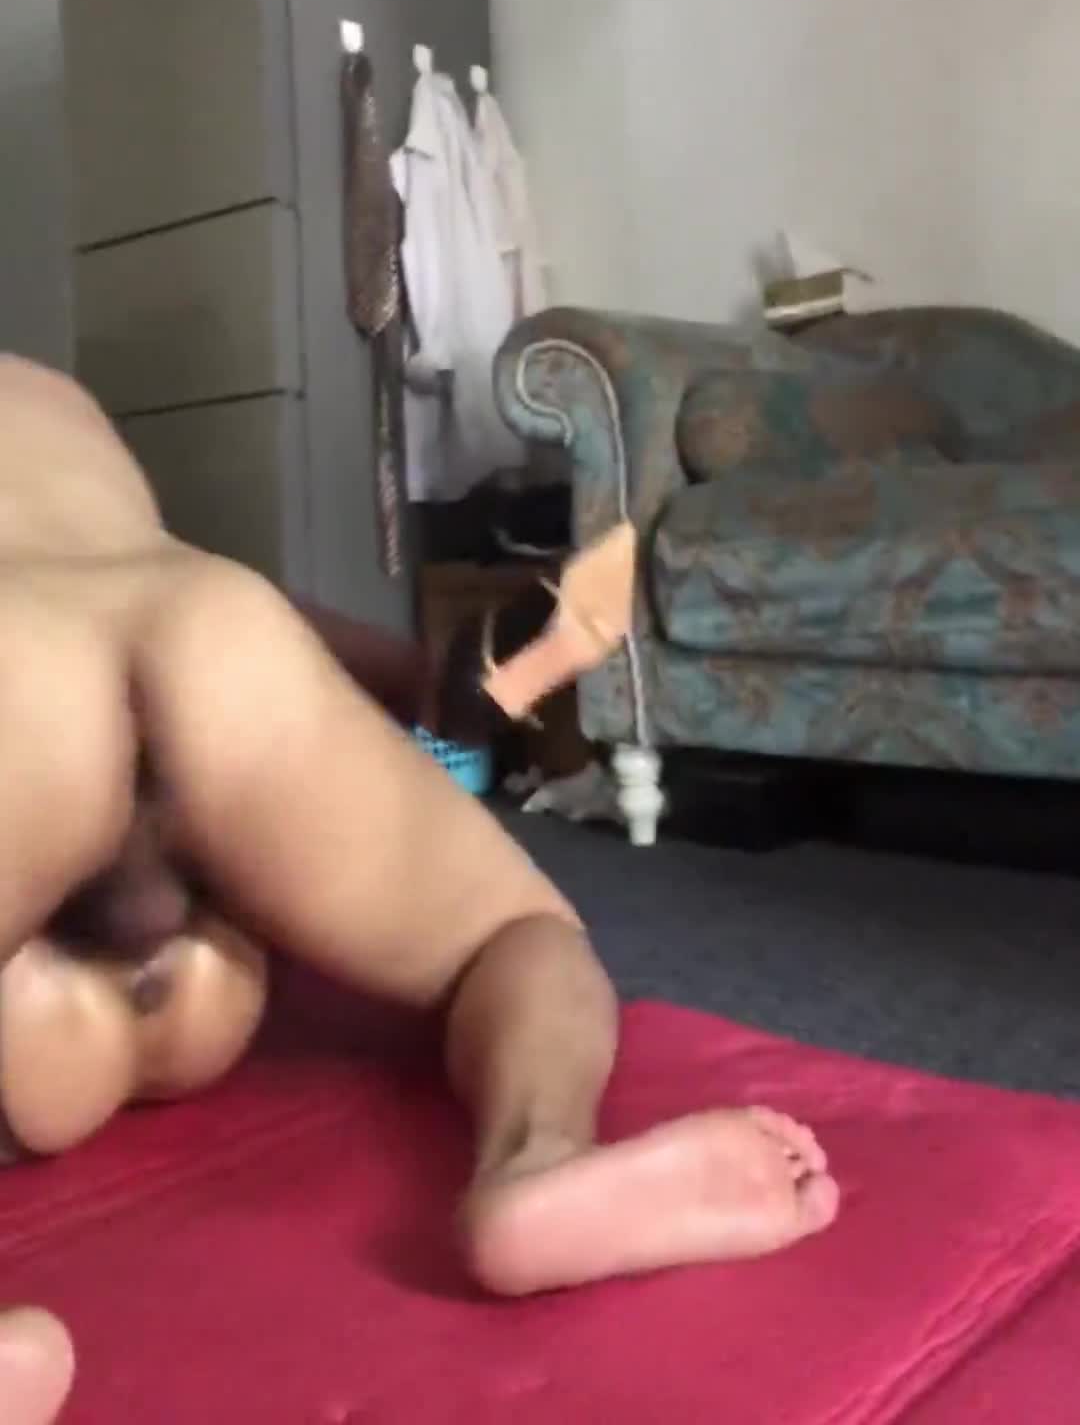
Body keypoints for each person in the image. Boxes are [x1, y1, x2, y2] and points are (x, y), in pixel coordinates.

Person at [0, 357, 839, 1409]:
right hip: (214, 630)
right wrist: (414, 678)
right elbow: (170, 577)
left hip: (22, 679)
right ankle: (539, 1153)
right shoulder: (50, 392)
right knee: (514, 934)